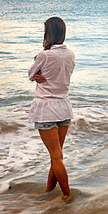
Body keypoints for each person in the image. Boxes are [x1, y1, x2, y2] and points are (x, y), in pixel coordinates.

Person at [28, 17, 75, 199]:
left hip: (46, 109)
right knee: (57, 156)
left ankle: (67, 197)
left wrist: (37, 71)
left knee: (56, 157)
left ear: (49, 33)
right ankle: (49, 192)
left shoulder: (44, 55)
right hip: (63, 107)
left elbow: (31, 73)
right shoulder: (70, 54)